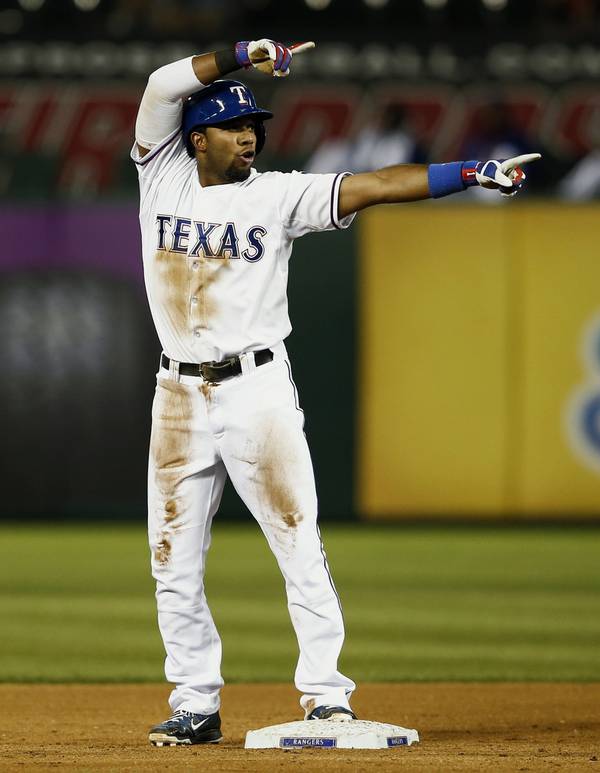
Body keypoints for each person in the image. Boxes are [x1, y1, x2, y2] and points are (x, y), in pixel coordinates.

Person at [131, 38, 540, 747]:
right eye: (235, 128)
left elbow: (376, 185)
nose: (250, 137)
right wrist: (241, 53)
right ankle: (195, 702)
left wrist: (470, 171)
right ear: (198, 138)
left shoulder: (279, 193)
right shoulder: (159, 171)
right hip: (176, 395)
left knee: (297, 540)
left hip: (255, 389)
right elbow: (165, 81)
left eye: (254, 128)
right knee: (172, 559)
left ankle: (327, 695)